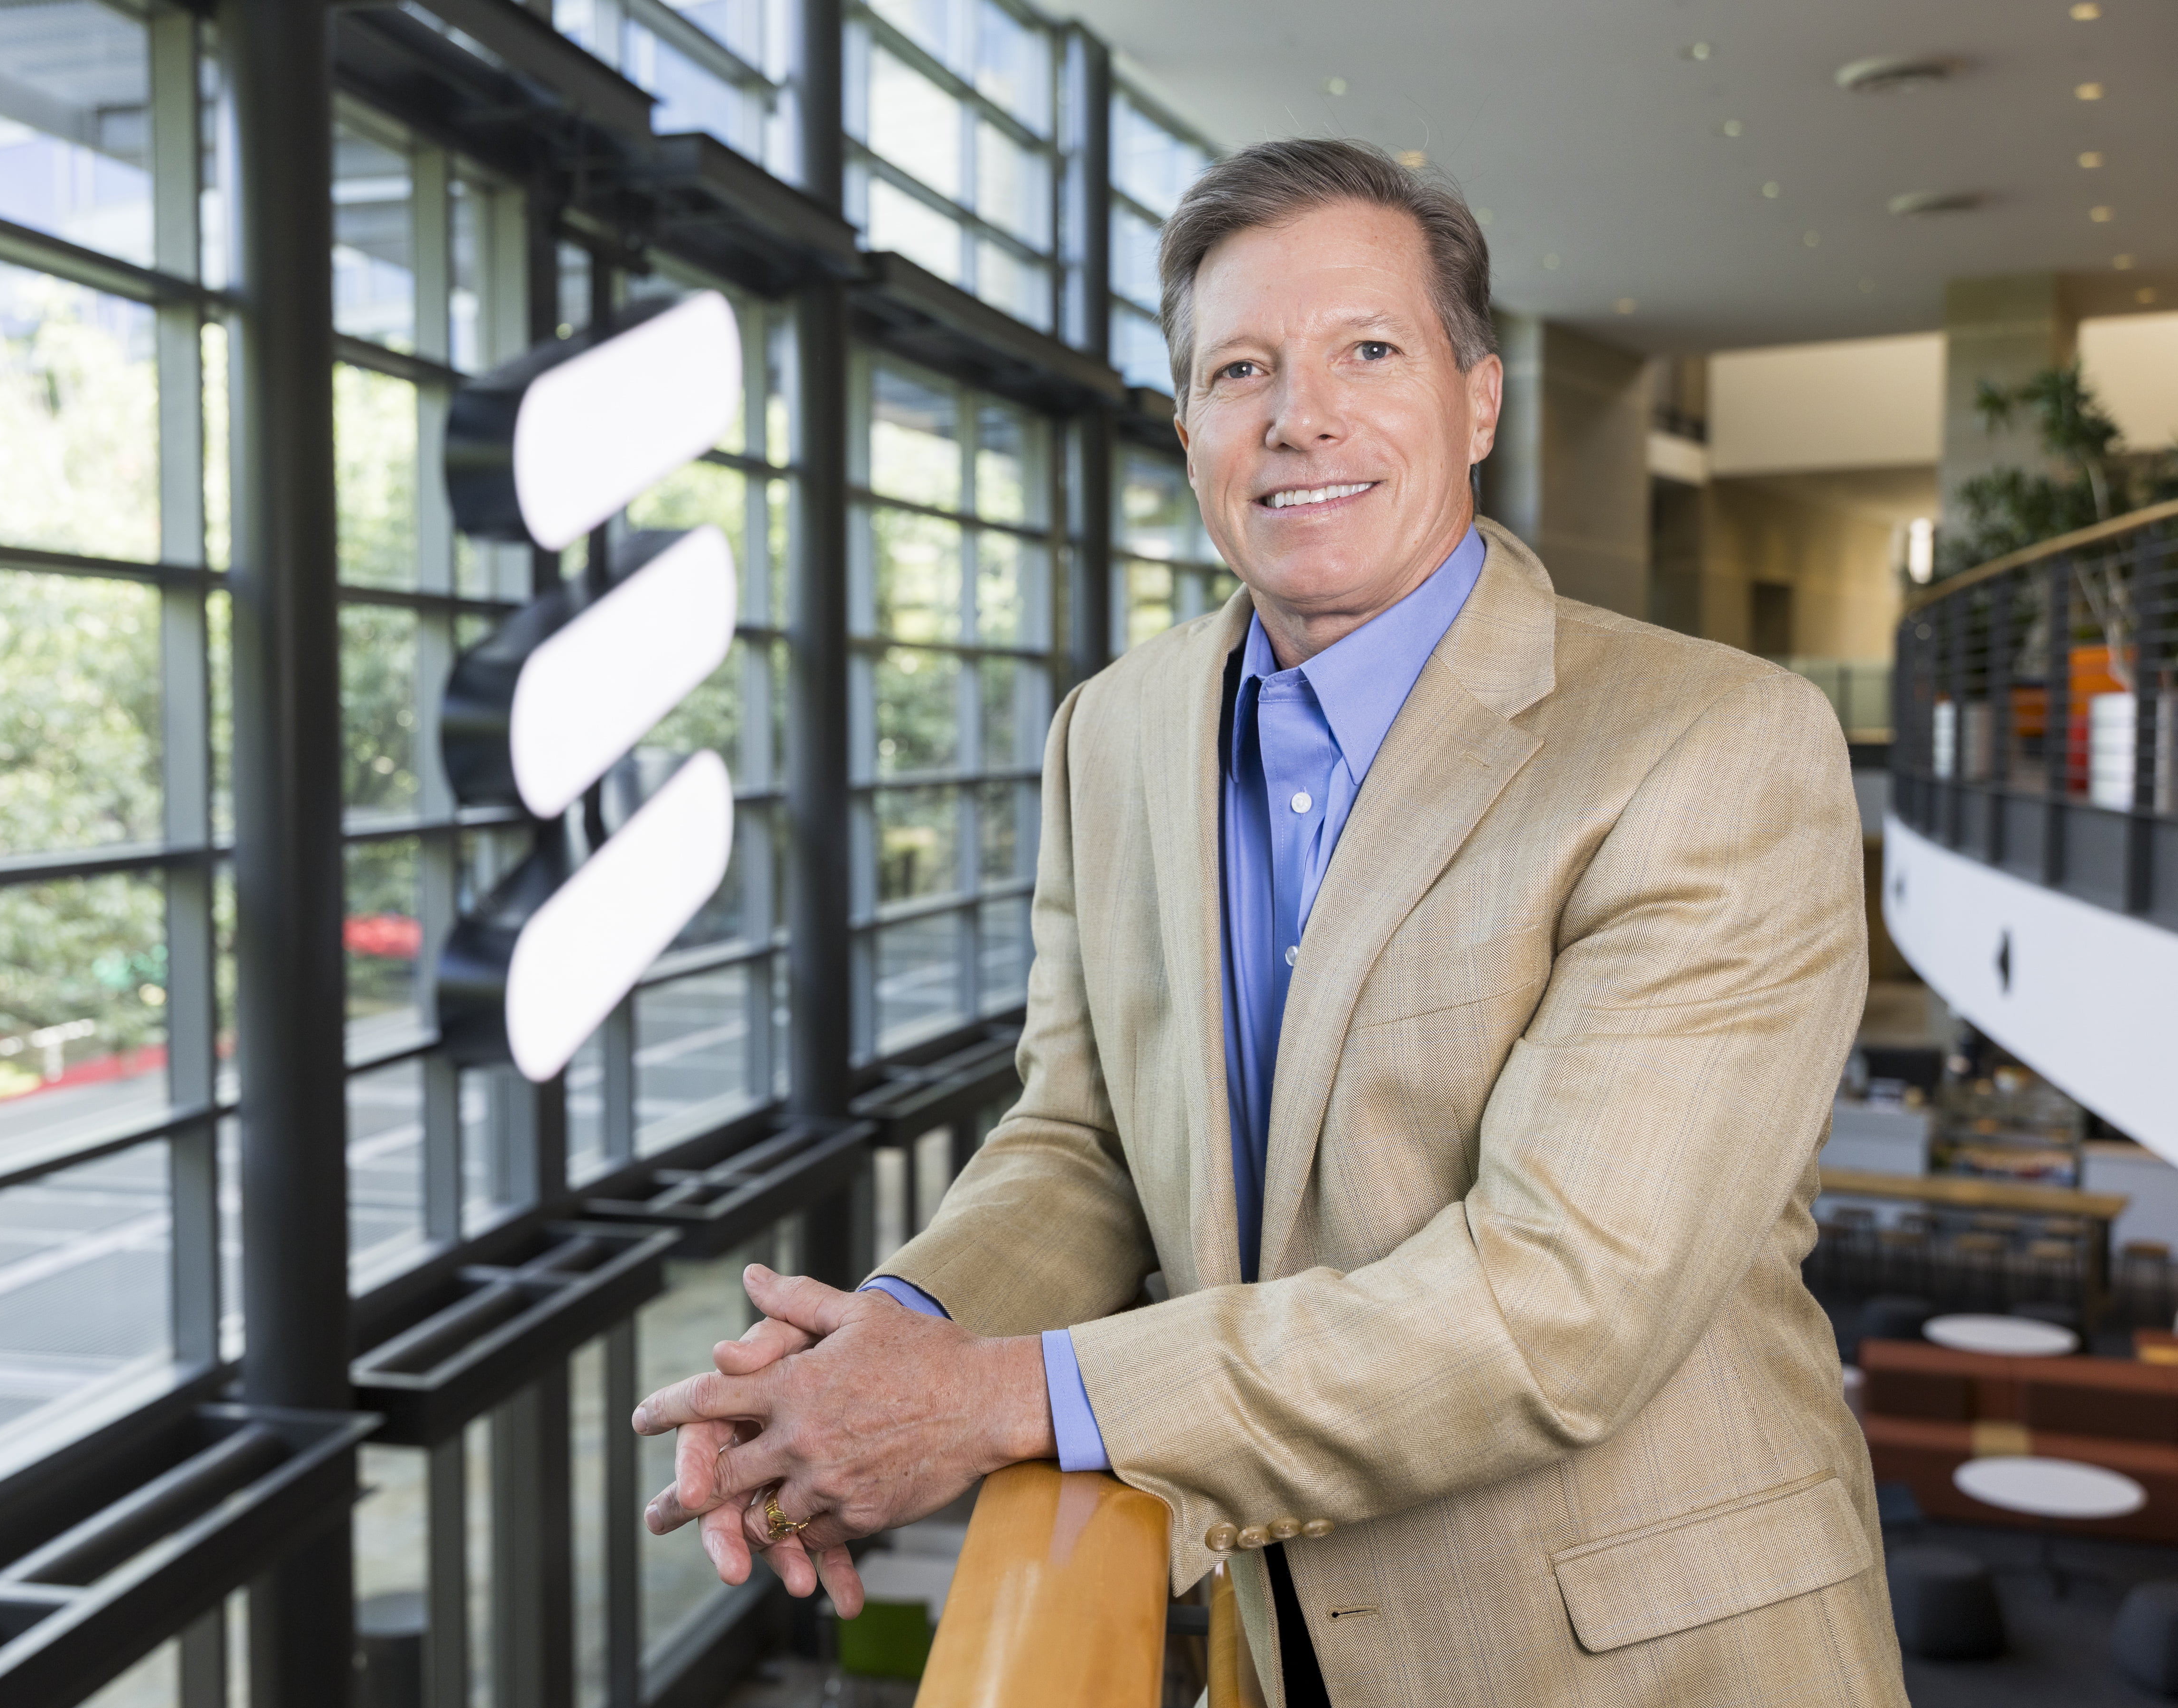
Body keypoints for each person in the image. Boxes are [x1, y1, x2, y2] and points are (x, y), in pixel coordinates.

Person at [632, 137, 1905, 1706]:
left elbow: (1558, 1306)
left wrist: (993, 1399)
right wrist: (886, 1346)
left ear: (1479, 399)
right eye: (1244, 369)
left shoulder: (1712, 744)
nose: (1301, 415)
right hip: (1285, 1652)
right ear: (1188, 435)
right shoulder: (1114, 728)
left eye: (1368, 350)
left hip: (1652, 1657)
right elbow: (1083, 1135)